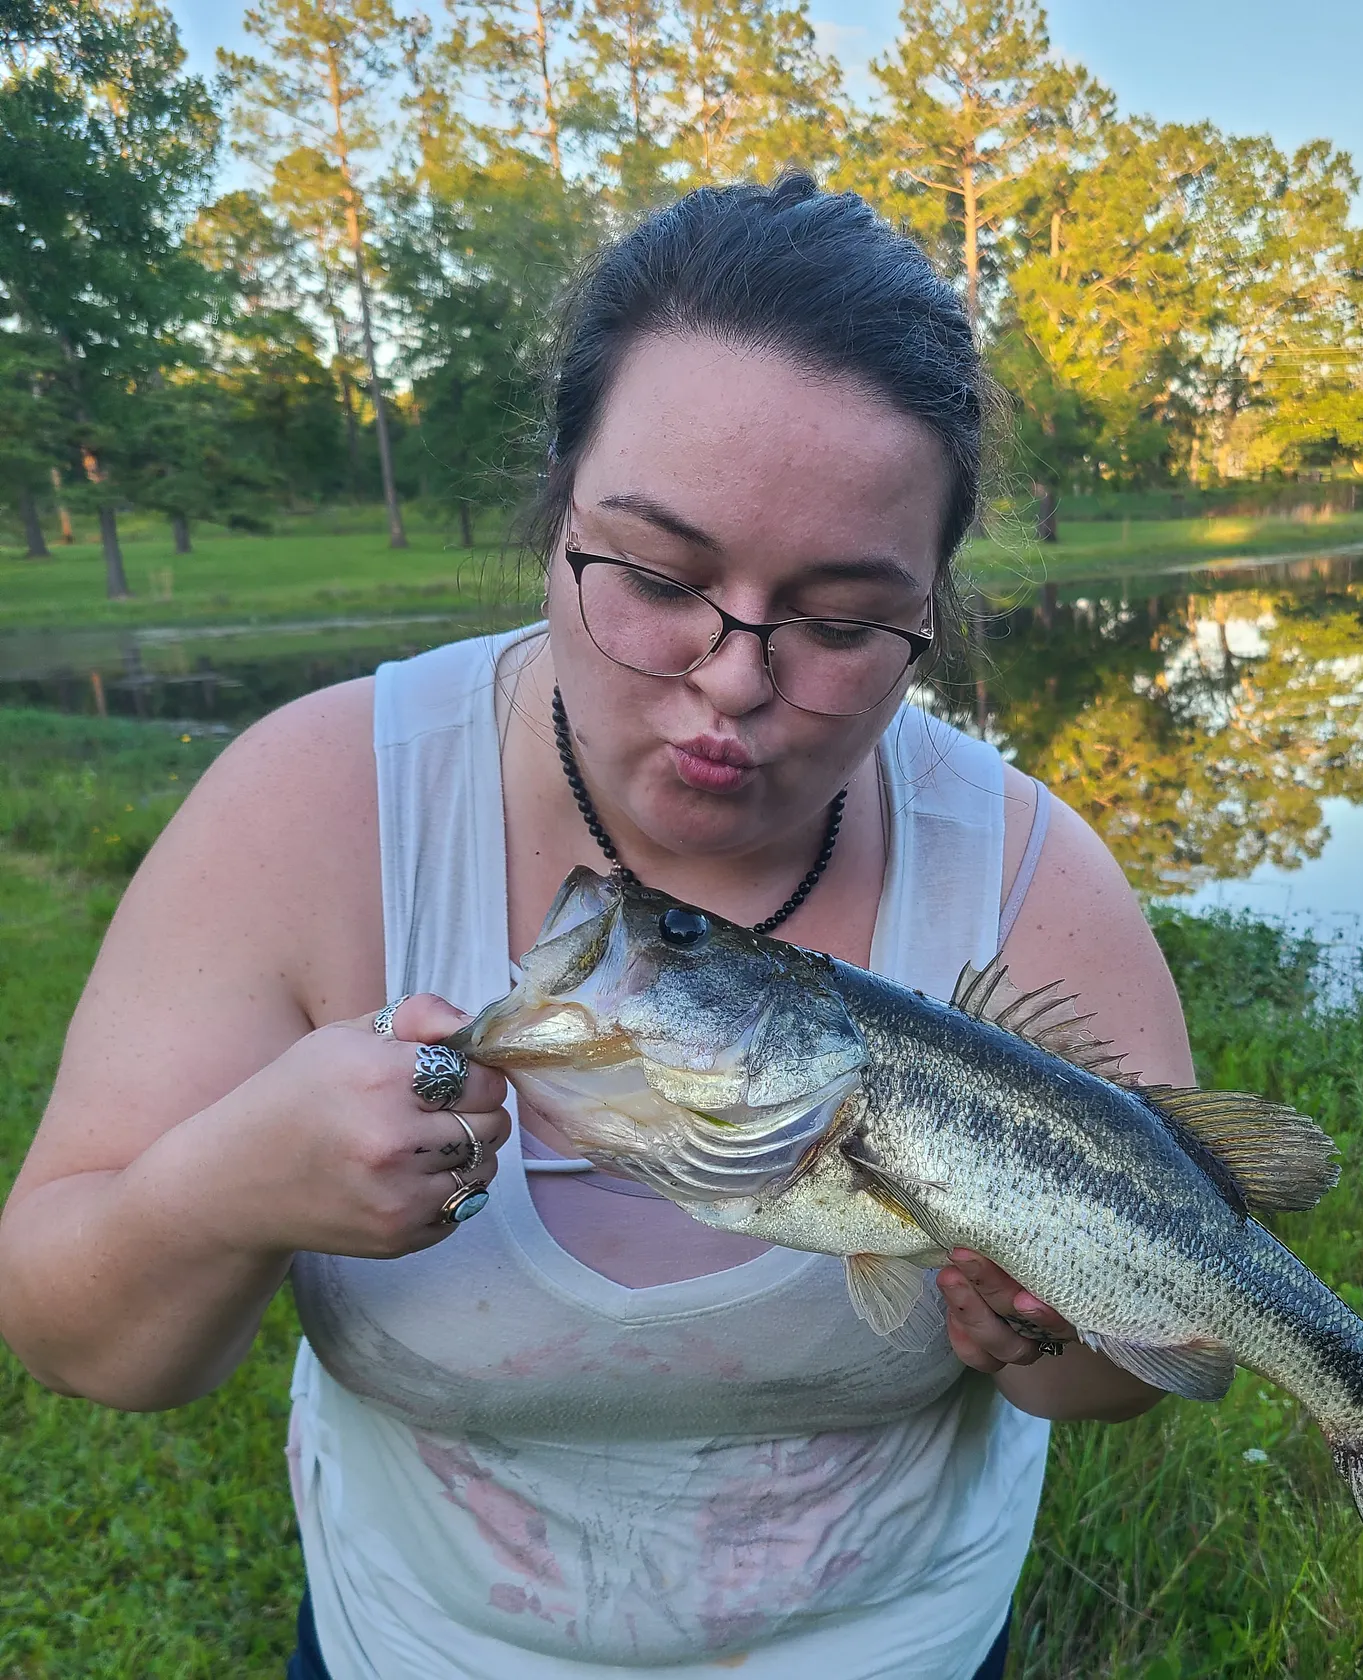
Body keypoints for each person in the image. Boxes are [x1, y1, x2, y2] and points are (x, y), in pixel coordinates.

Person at [0, 175, 1195, 1679]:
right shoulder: (307, 807)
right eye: (654, 576)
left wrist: (1046, 1331)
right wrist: (227, 1190)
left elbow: (1125, 1383)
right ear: (556, 508)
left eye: (835, 620)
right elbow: (88, 1344)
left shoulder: (1029, 873)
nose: (733, 680)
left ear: (932, 612)